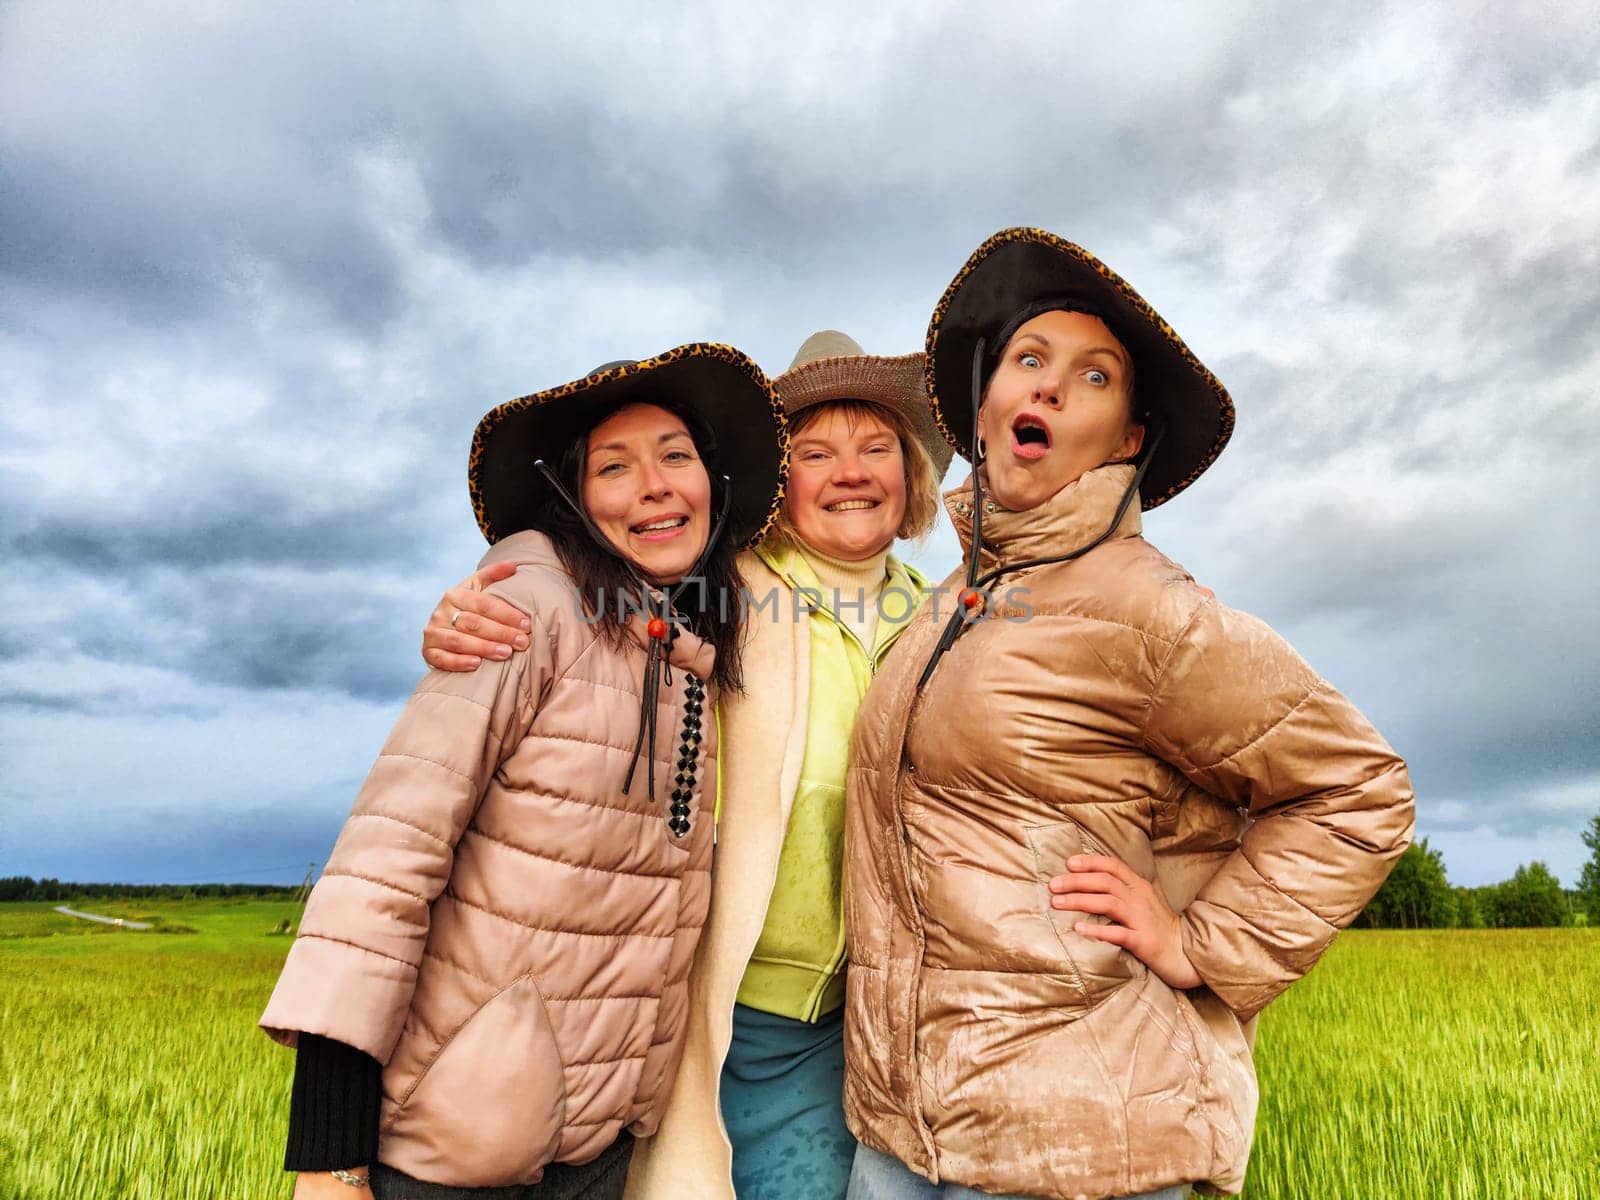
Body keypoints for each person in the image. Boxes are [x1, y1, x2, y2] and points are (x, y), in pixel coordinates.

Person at [839, 228, 1416, 1200]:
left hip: (1075, 1140)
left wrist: (1200, 944)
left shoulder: (1148, 610)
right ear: (983, 407)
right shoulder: (952, 601)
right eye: (1027, 359)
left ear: (1130, 437)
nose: (1050, 387)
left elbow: (1358, 789)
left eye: (1093, 376)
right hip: (906, 1131)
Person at [422, 331, 952, 1200]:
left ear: (913, 474)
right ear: (780, 486)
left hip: (886, 1017)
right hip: (738, 1011)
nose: (850, 472)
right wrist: (469, 607)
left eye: (875, 448)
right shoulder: (719, 589)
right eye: (816, 453)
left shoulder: (949, 617)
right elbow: (588, 589)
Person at [259, 343, 787, 1200]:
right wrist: (329, 1160)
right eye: (615, 466)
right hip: (451, 1150)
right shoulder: (524, 610)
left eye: (676, 457)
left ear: (711, 486)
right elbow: (385, 866)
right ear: (577, 501)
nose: (654, 485)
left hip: (595, 1149)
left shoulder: (694, 647)